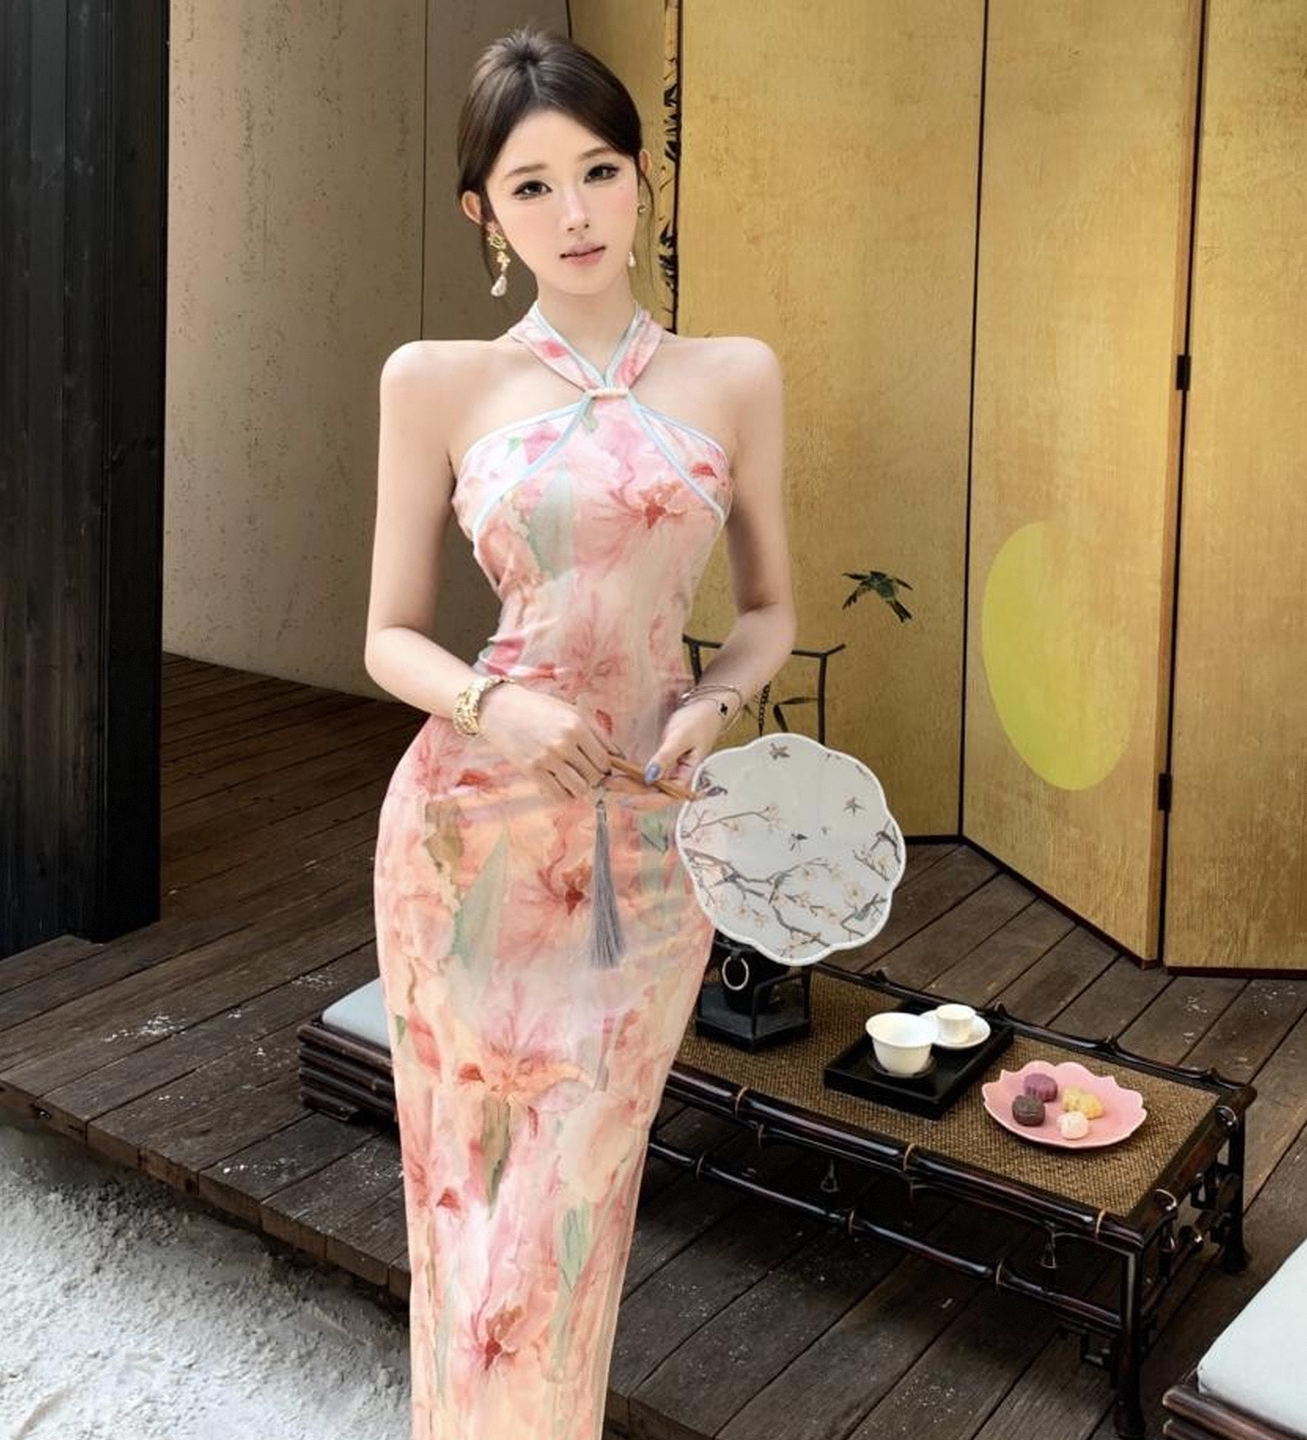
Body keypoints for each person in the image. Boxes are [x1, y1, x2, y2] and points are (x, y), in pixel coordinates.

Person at [363, 24, 795, 1440]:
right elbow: (387, 638)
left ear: (642, 178)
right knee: (466, 1212)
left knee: (575, 1207)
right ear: (484, 213)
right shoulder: (435, 380)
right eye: (533, 186)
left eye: (600, 170)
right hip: (469, 838)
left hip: (646, 849)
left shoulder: (735, 376)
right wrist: (498, 702)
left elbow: (769, 613)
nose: (576, 211)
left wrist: (715, 704)